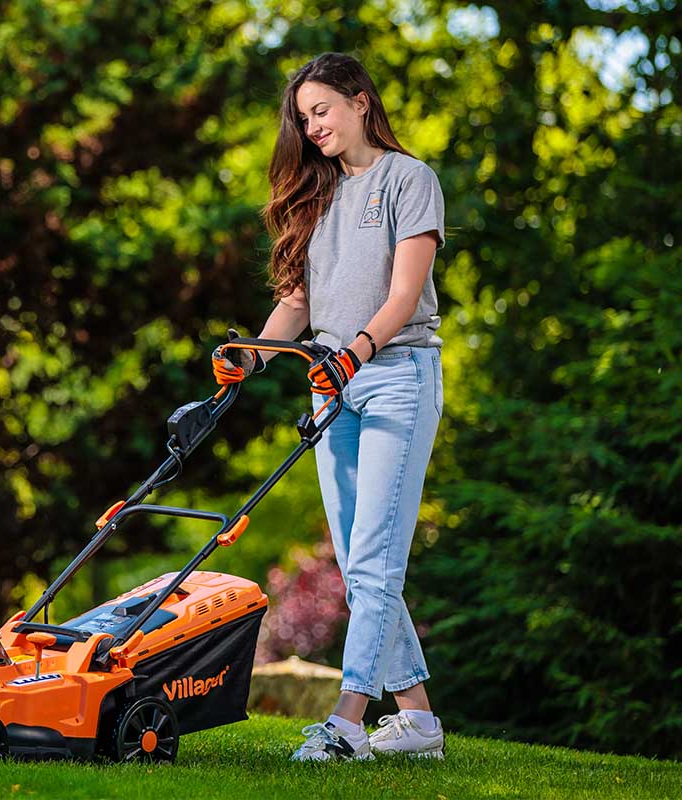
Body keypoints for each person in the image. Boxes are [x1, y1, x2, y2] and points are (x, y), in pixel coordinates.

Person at [215, 52, 447, 761]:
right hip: (328, 387)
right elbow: (297, 304)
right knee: (357, 563)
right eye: (304, 118)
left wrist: (357, 351)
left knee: (374, 560)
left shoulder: (409, 179)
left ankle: (347, 723)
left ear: (360, 102)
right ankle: (418, 720)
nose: (313, 127)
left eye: (322, 111)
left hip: (397, 376)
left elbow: (404, 294)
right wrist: (251, 356)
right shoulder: (316, 195)